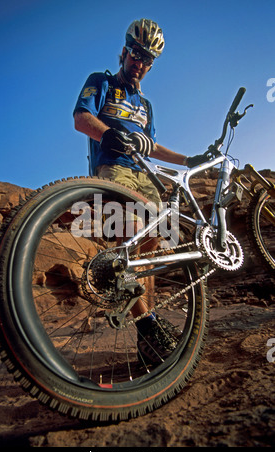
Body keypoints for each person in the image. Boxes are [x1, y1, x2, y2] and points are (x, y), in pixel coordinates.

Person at [73, 18, 208, 365]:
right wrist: (107, 133)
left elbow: (152, 146)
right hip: (115, 169)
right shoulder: (101, 81)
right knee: (131, 236)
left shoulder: (147, 107)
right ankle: (147, 325)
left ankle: (145, 341)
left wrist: (188, 158)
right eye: (136, 53)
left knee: (150, 255)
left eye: (148, 59)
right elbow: (81, 118)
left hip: (145, 175)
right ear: (124, 51)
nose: (140, 63)